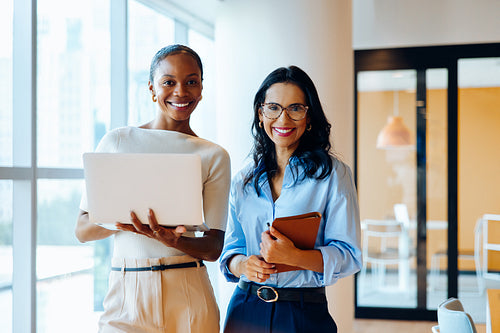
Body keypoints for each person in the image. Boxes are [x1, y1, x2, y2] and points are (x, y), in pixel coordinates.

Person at [75, 44, 230, 333]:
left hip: (188, 291)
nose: (180, 91)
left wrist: (173, 240)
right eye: (168, 82)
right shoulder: (117, 141)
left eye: (191, 82)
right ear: (151, 88)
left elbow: (213, 247)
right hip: (126, 292)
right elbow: (83, 229)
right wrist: (132, 223)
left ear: (201, 88)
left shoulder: (213, 155)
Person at [219, 66, 362, 333]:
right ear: (261, 114)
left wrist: (295, 256)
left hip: (303, 312)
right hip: (245, 308)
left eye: (295, 108)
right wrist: (243, 265)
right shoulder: (243, 180)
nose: (283, 119)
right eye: (273, 108)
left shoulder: (334, 175)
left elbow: (348, 255)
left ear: (309, 117)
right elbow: (230, 251)